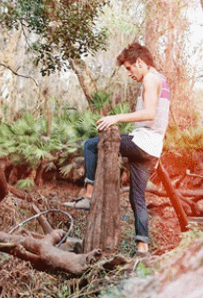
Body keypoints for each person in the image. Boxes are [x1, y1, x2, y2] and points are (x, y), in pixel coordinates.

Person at [63, 42, 171, 255]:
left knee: (91, 145)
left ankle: (88, 195)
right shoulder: (162, 80)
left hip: (142, 142)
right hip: (152, 146)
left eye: (130, 68)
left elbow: (149, 113)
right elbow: (160, 118)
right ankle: (142, 247)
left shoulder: (150, 78)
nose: (129, 74)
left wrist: (116, 117)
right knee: (137, 197)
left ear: (140, 62)